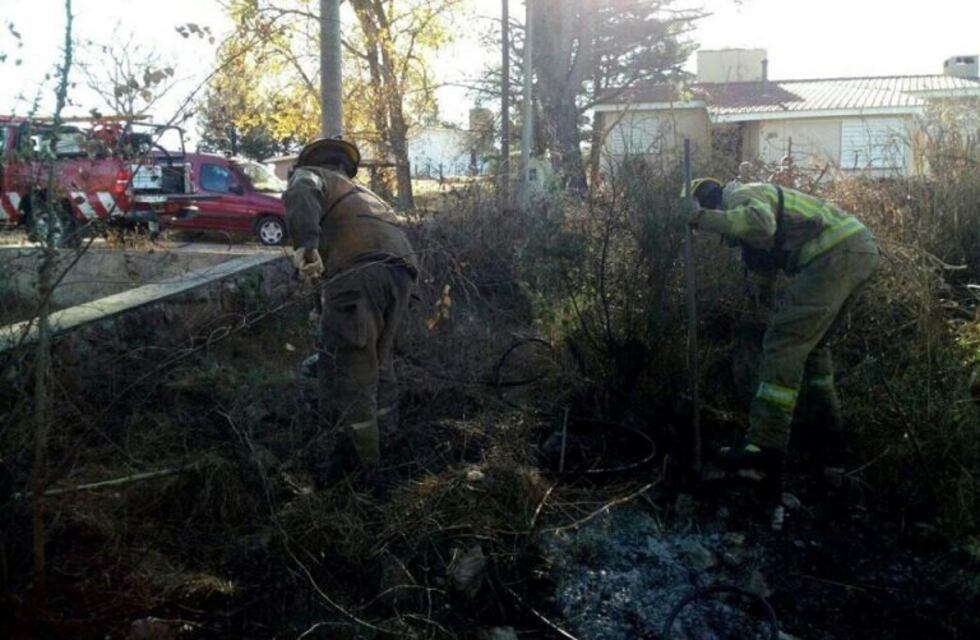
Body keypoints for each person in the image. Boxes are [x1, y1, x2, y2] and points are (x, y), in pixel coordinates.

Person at [685, 177, 879, 478]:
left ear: (710, 201)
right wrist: (760, 299)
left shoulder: (740, 195)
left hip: (835, 255)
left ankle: (764, 447)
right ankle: (828, 436)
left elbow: (760, 225)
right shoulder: (749, 205)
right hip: (857, 249)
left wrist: (699, 218)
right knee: (812, 347)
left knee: (783, 343)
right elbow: (765, 266)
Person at [284, 137, 418, 474]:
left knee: (354, 372)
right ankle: (390, 442)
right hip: (402, 275)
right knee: (380, 365)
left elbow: (302, 189)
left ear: (313, 161)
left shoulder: (311, 176)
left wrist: (305, 246)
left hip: (361, 275)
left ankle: (367, 473)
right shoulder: (365, 195)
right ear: (346, 166)